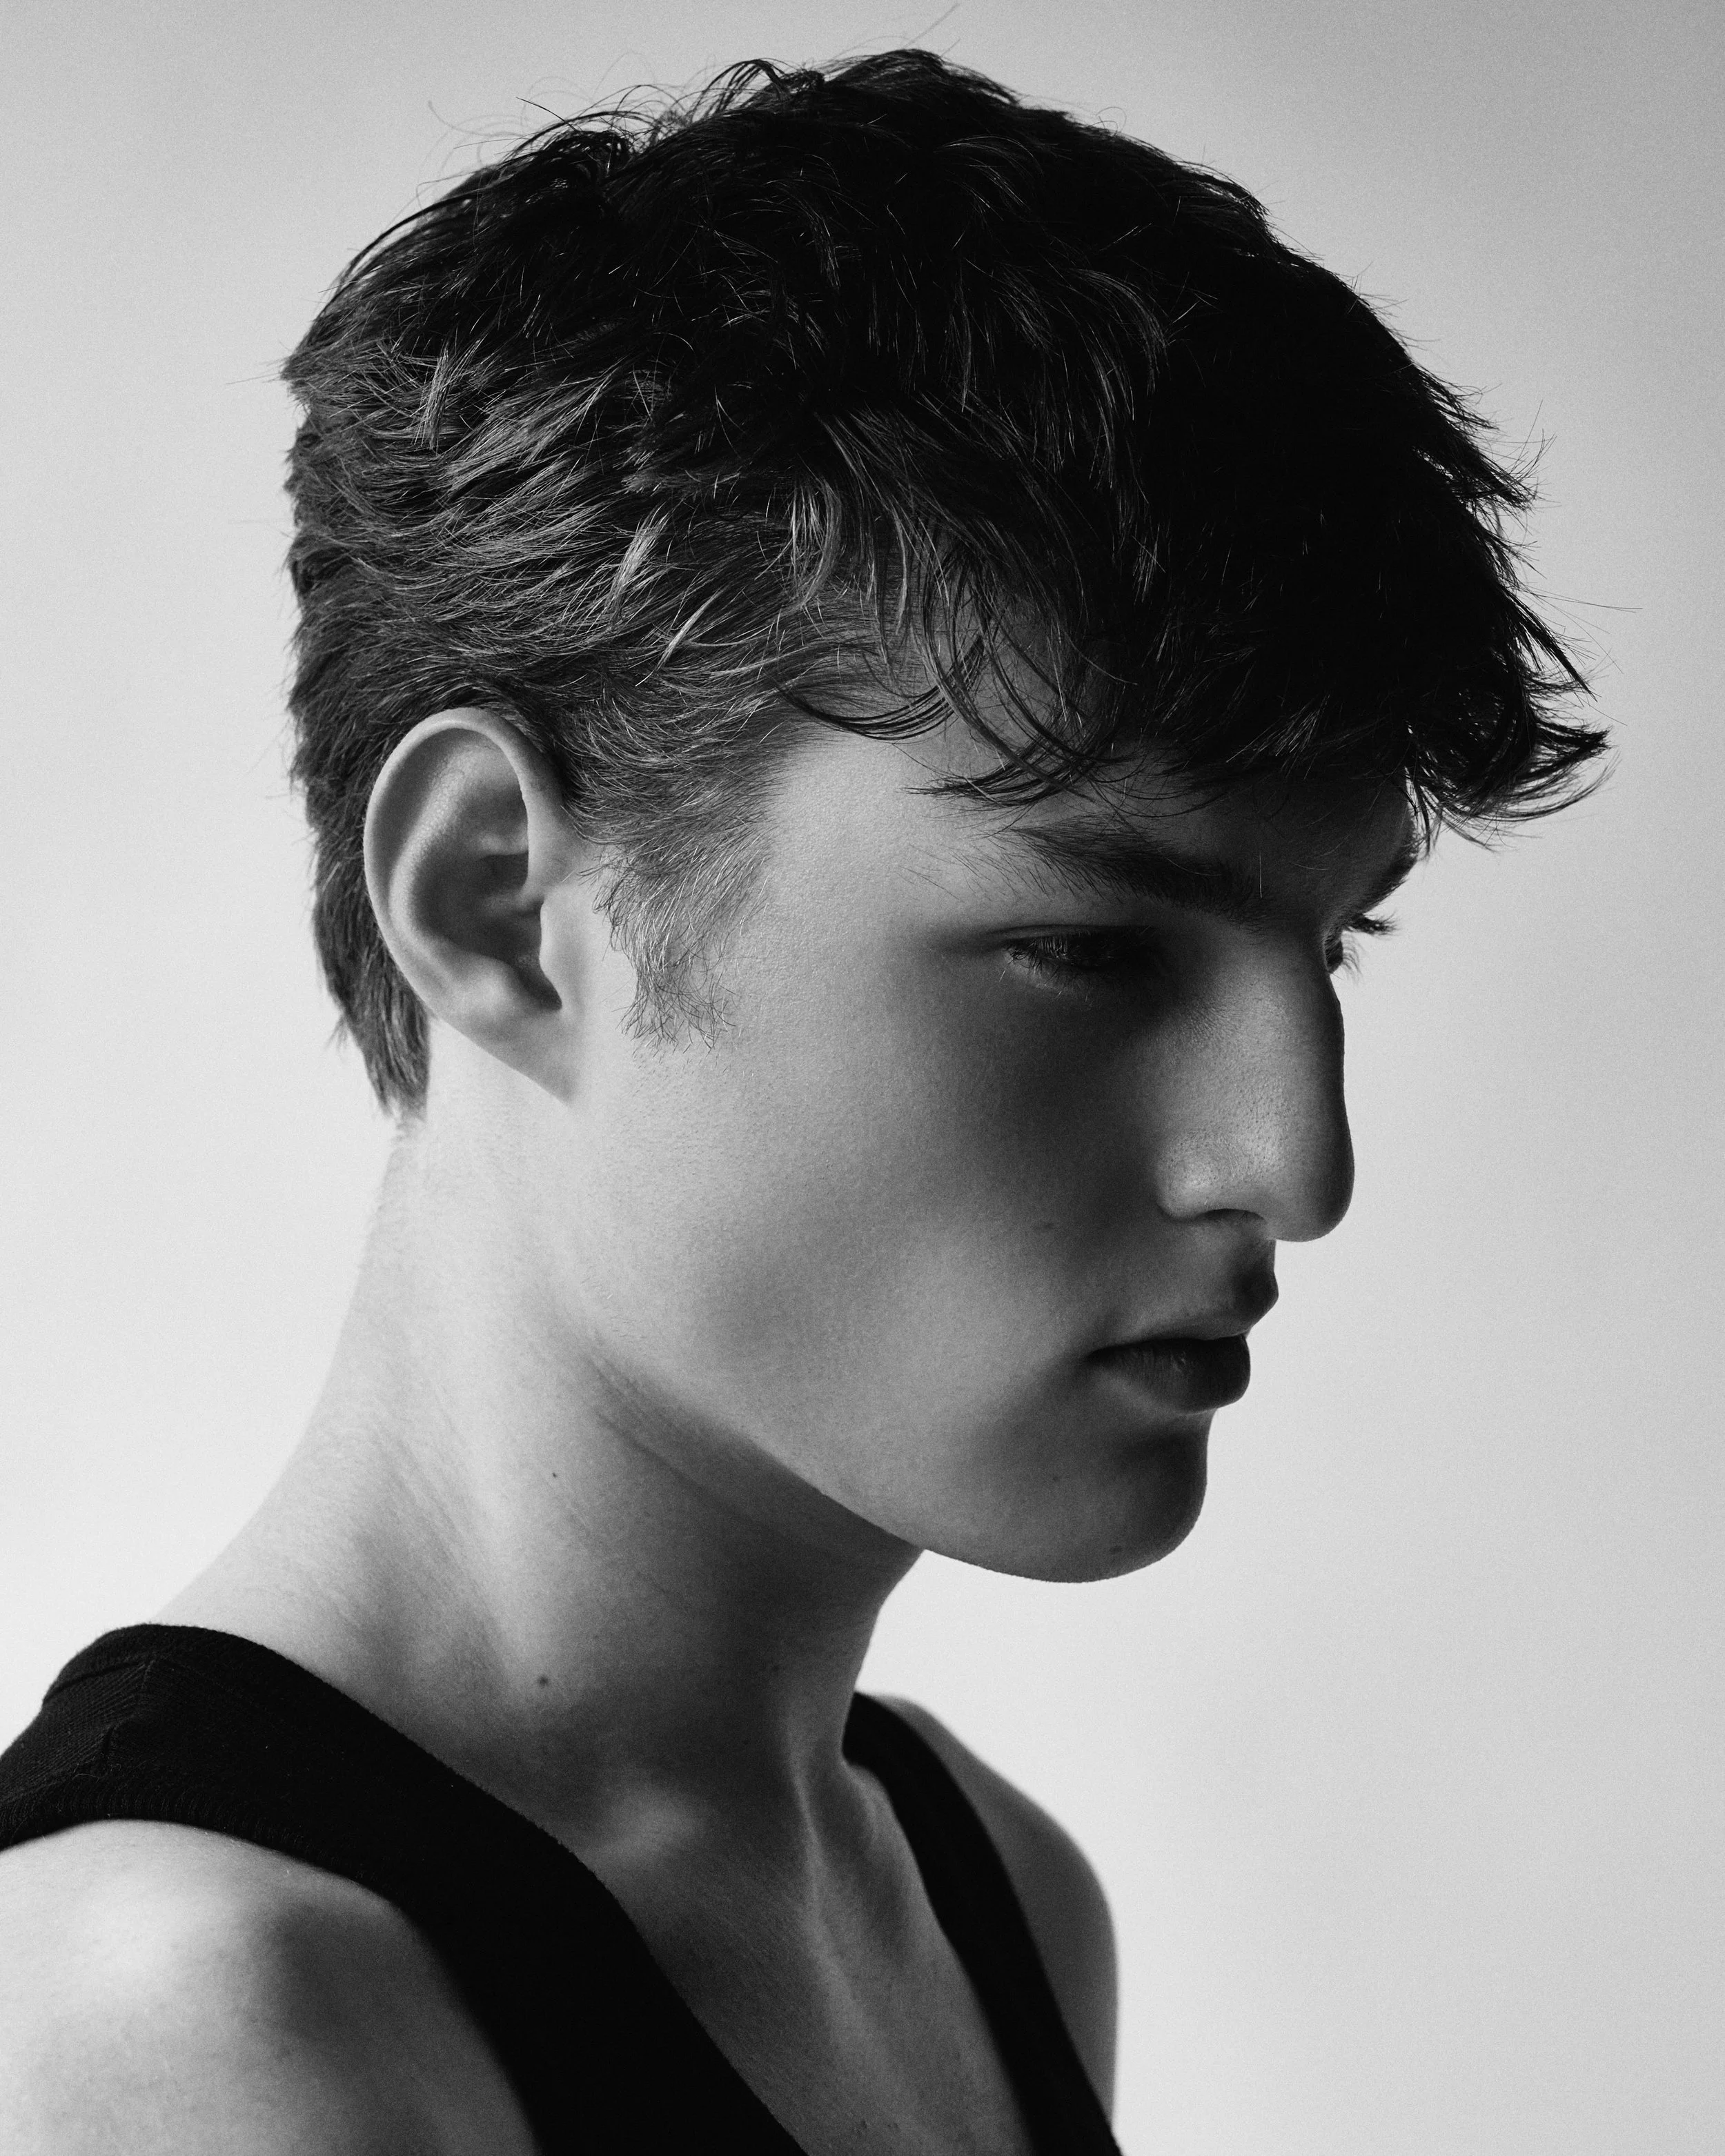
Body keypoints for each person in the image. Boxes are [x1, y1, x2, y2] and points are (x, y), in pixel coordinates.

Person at [0, 48, 1604, 2155]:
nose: (1293, 1165)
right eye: (1092, 950)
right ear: (493, 897)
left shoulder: (983, 1891)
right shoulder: (183, 2034)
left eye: (1332, 948)